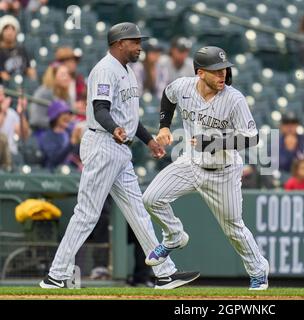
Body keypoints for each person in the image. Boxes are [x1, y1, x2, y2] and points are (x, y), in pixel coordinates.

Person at [39, 22, 199, 289]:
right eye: (134, 41)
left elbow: (130, 118)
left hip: (119, 150)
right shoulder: (104, 69)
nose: (139, 46)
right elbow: (101, 110)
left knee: (138, 212)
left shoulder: (127, 71)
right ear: (118, 43)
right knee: (87, 213)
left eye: (139, 41)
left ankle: (164, 273)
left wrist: (148, 141)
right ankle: (56, 274)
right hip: (103, 144)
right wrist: (115, 129)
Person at [143, 46, 270, 290]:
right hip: (191, 163)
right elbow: (168, 97)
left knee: (233, 228)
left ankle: (258, 271)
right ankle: (174, 236)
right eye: (216, 71)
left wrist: (214, 143)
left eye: (224, 69)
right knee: (151, 198)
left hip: (224, 171)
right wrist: (164, 126)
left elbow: (252, 138)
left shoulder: (234, 99)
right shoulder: (183, 86)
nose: (222, 75)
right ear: (200, 73)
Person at [28, 63, 72, 135]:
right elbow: (35, 119)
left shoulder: (66, 95)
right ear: (53, 76)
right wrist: (56, 123)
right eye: (63, 74)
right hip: (42, 134)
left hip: (62, 133)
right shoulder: (43, 93)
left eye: (68, 74)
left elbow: (69, 118)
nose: (67, 77)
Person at [38, 100, 81, 170]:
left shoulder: (70, 132)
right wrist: (71, 143)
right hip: (54, 176)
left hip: (72, 173)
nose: (67, 116)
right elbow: (54, 159)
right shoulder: (46, 136)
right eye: (64, 113)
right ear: (55, 117)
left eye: (68, 113)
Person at [0, 15, 37, 83]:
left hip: (23, 84)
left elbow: (29, 69)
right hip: (6, 87)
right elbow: (3, 74)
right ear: (1, 32)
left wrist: (32, 81)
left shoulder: (21, 49)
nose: (10, 32)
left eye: (12, 29)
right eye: (6, 29)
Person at [0, 85, 30, 157]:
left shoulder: (11, 113)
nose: (2, 98)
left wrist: (21, 114)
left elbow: (24, 135)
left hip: (12, 154)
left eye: (3, 94)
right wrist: (3, 113)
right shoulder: (5, 111)